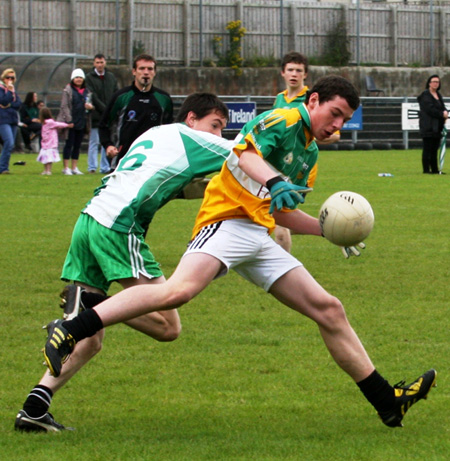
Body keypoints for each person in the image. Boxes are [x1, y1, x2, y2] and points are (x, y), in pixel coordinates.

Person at [41, 75, 436, 430]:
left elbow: (281, 209)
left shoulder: (310, 153)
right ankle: (72, 328)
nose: (338, 125)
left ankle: (388, 401)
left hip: (258, 235)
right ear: (313, 100)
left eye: (345, 119)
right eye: (335, 114)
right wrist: (276, 179)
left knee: (329, 308)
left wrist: (326, 229)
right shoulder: (282, 119)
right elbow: (243, 152)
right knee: (178, 292)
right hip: (225, 222)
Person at [15, 93, 233, 432]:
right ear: (192, 118)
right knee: (168, 326)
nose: (217, 135)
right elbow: (247, 155)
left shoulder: (155, 135)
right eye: (215, 125)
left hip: (89, 220)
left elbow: (166, 184)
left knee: (91, 335)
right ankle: (92, 304)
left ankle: (34, 407)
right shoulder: (195, 139)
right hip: (118, 226)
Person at [273, 51, 341, 252]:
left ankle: (283, 270)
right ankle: (331, 229)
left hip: (300, 168)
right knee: (275, 216)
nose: (294, 74)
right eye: (290, 70)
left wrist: (316, 134)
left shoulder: (312, 99)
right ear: (282, 73)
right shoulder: (279, 99)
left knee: (280, 220)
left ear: (305, 75)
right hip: (278, 167)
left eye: (299, 70)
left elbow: (336, 135)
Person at [99, 53, 173, 167]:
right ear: (134, 71)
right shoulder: (121, 97)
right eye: (142, 68)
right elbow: (104, 124)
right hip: (123, 159)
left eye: (150, 69)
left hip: (152, 161)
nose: (146, 72)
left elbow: (169, 130)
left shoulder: (164, 99)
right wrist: (108, 145)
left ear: (154, 72)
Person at [85, 53, 119, 174]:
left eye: (102, 62)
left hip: (109, 116)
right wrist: (105, 109)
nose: (100, 65)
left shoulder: (111, 77)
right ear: (94, 64)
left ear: (105, 63)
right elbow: (92, 95)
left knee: (107, 142)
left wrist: (112, 109)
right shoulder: (89, 77)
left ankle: (105, 167)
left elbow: (116, 93)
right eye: (97, 62)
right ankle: (92, 167)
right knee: (94, 141)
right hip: (96, 115)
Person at [57, 68, 93, 175]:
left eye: (81, 77)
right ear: (73, 79)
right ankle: (66, 167)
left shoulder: (87, 91)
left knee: (77, 145)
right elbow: (65, 106)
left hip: (81, 121)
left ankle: (74, 167)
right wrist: (69, 120)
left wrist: (90, 107)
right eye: (77, 77)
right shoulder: (68, 90)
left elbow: (90, 104)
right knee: (69, 144)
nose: (79, 79)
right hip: (71, 122)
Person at [417, 74, 448, 174]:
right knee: (427, 148)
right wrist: (441, 114)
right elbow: (430, 109)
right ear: (429, 83)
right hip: (428, 125)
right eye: (434, 81)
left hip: (437, 126)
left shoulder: (438, 95)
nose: (436, 83)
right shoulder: (425, 95)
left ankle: (435, 169)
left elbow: (442, 107)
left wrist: (445, 112)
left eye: (437, 82)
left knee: (434, 148)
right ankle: (426, 170)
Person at [37, 107, 74, 175]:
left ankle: (46, 170)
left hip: (46, 143)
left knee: (46, 158)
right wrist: (67, 125)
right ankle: (48, 170)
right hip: (50, 143)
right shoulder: (50, 122)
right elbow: (58, 124)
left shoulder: (45, 123)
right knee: (49, 158)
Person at [0, 68, 22, 174]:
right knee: (9, 142)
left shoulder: (13, 90)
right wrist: (8, 91)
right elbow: (3, 101)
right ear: (3, 78)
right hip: (3, 120)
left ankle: (4, 167)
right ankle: (3, 168)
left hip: (13, 120)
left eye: (12, 78)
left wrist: (10, 105)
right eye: (7, 77)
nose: (10, 79)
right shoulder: (2, 89)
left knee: (9, 145)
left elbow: (18, 104)